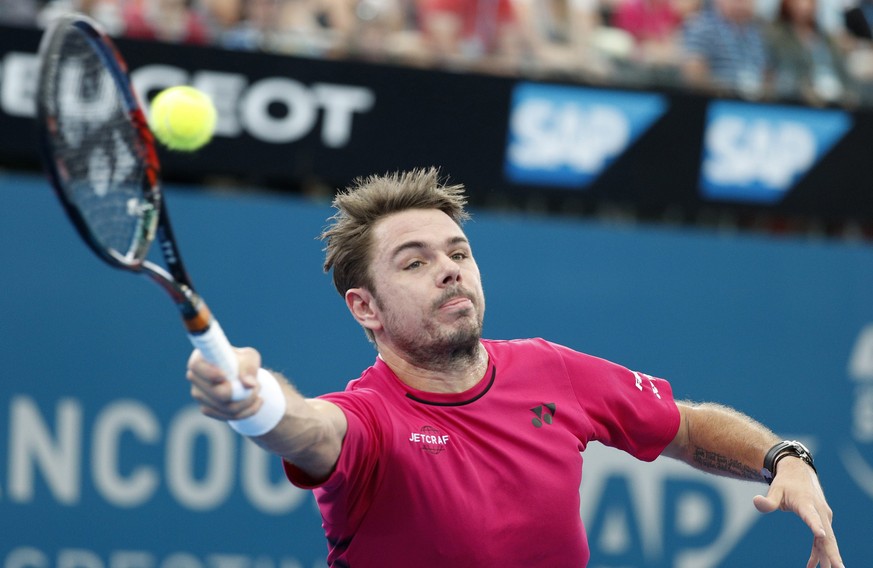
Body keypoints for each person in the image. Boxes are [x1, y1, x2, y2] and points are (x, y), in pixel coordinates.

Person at [187, 167, 844, 567]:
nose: (448, 268)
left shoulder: (550, 371)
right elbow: (308, 428)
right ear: (365, 308)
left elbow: (688, 427)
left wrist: (783, 458)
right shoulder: (369, 420)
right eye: (413, 262)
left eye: (457, 252)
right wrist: (254, 403)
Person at [680, 0, 770, 98]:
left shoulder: (759, 33)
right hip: (716, 101)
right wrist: (732, 91)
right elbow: (693, 76)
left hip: (754, 106)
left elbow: (767, 74)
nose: (742, 4)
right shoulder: (701, 27)